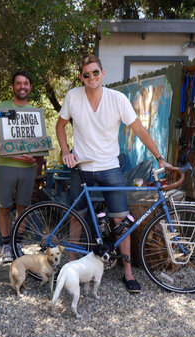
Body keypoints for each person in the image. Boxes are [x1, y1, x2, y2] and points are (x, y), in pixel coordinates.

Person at [56, 54, 172, 293]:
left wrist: (159, 157)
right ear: (81, 77)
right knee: (77, 218)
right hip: (81, 167)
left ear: (102, 73)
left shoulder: (117, 99)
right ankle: (70, 269)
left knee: (121, 220)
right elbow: (60, 126)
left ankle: (127, 273)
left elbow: (139, 129)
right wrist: (66, 151)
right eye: (86, 74)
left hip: (109, 168)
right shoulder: (72, 96)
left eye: (95, 73)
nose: (91, 78)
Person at [0, 71, 38, 263]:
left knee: (24, 207)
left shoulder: (34, 112)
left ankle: (17, 243)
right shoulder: (0, 107)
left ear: (30, 87)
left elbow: (39, 145)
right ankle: (6, 245)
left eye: (26, 84)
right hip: (5, 165)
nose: (22, 87)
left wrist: (35, 157)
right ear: (13, 86)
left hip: (27, 168)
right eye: (18, 84)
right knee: (4, 207)